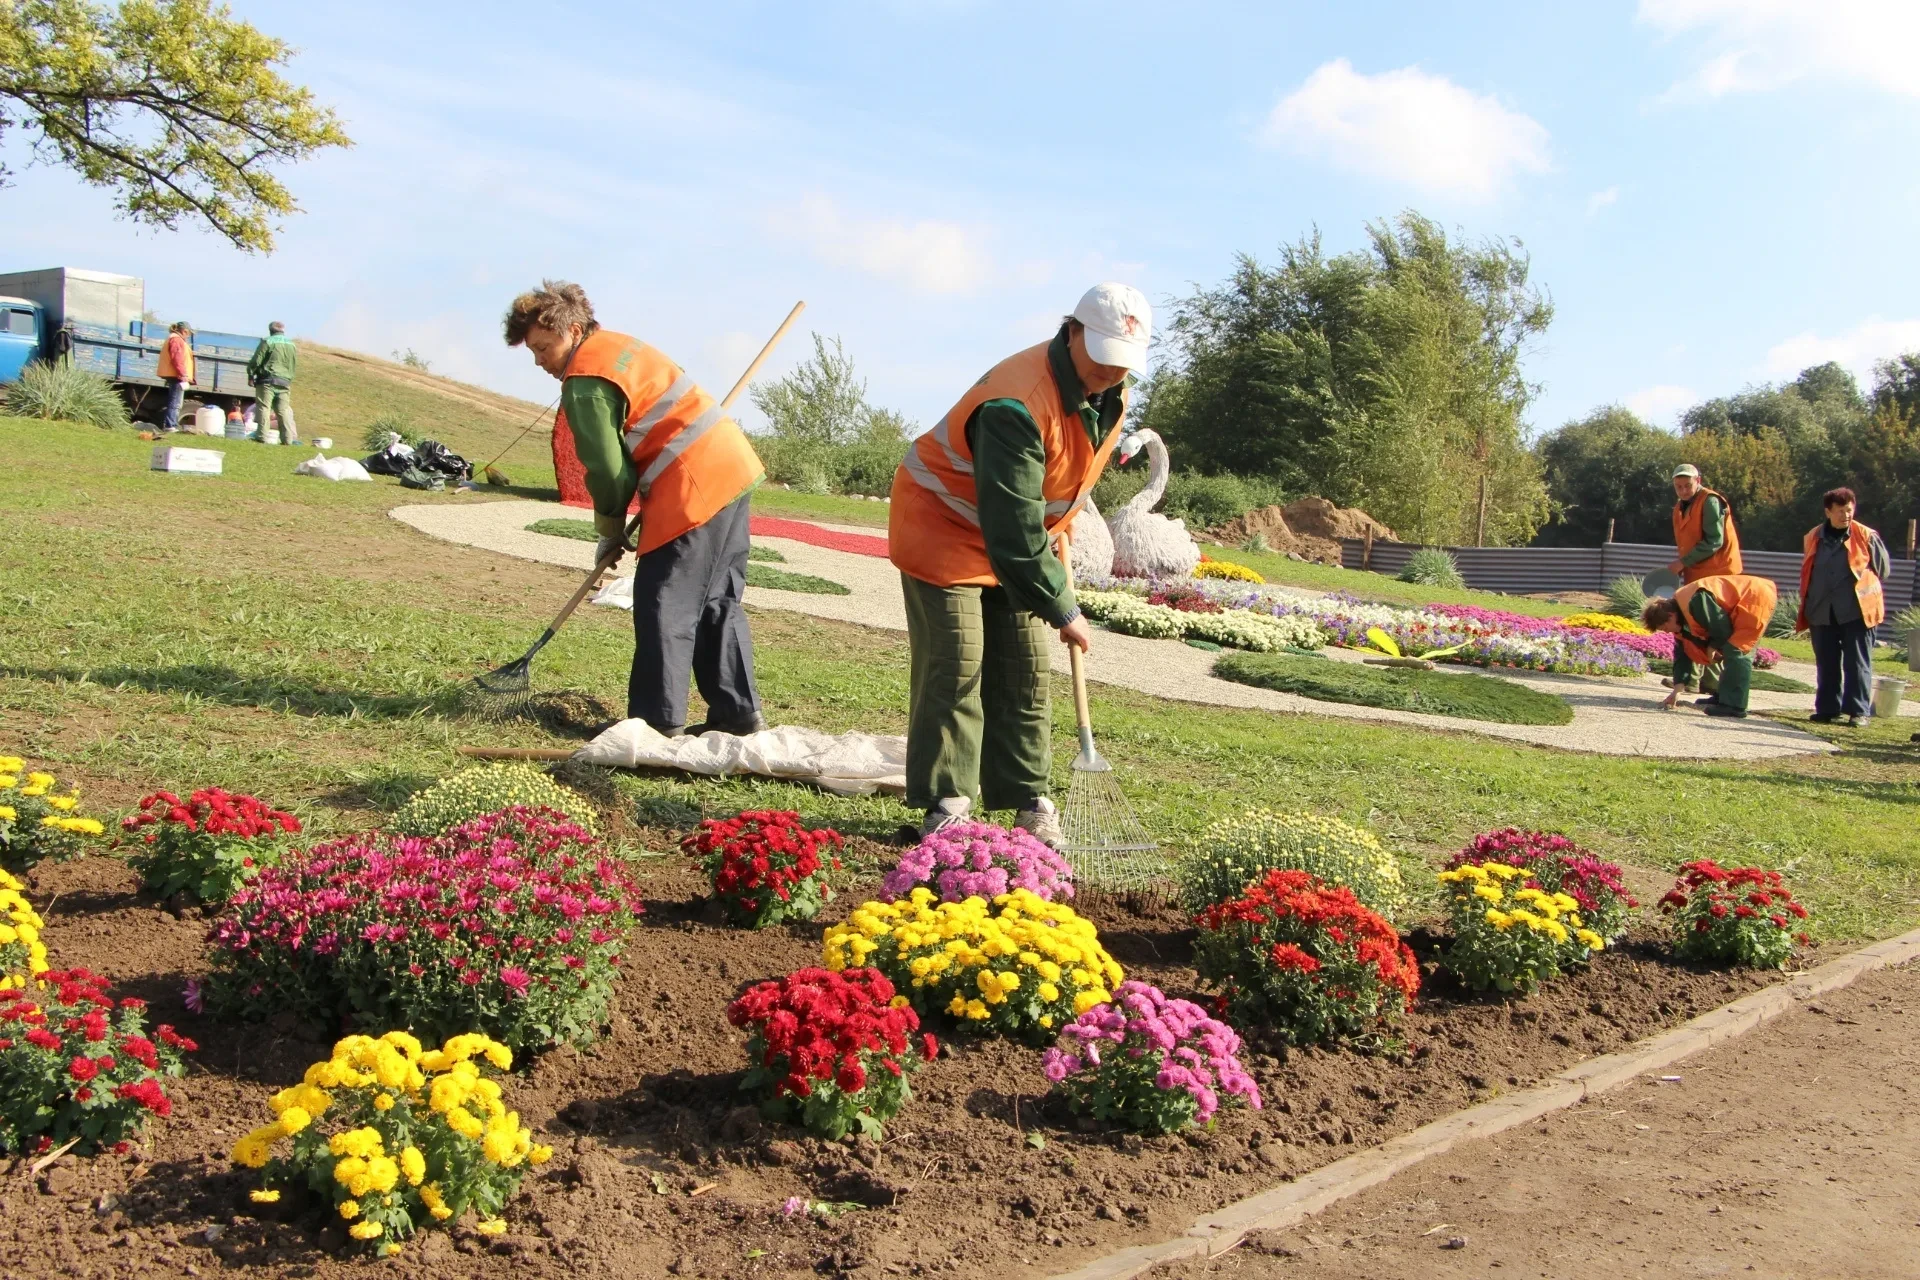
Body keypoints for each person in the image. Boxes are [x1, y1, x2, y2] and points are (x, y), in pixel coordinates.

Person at [889, 282, 1148, 847]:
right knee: (958, 663)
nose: (1111, 371)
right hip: (945, 526)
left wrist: (1065, 517)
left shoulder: (1111, 394)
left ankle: (1028, 799)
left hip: (1021, 535)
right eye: (1102, 354)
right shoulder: (1015, 403)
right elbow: (1011, 530)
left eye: (1123, 361)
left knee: (1026, 671)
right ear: (1072, 331)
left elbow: (1057, 475)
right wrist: (1063, 608)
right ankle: (947, 803)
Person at [503, 281, 766, 737]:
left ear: (574, 329)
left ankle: (655, 725)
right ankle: (737, 714)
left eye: (544, 348)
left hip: (692, 484)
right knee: (716, 600)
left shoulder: (584, 379)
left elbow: (607, 469)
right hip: (732, 469)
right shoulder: (621, 346)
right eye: (533, 353)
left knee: (664, 602)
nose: (540, 361)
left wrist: (608, 528)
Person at [1796, 486, 1889, 727]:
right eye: (1840, 511)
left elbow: (1884, 570)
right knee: (1826, 662)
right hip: (1821, 611)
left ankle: (1858, 711)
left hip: (1857, 611)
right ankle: (1828, 709)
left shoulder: (1867, 535)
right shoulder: (1813, 536)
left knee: (1857, 663)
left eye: (1849, 510)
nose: (1846, 515)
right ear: (1828, 512)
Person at [1642, 573, 1778, 718]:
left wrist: (1713, 645)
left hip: (1754, 596)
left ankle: (1734, 706)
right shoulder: (1681, 619)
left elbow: (1721, 627)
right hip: (1746, 598)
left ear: (1671, 615)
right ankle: (1724, 697)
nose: (1667, 632)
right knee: (1728, 648)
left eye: (1664, 627)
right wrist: (1677, 691)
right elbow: (1683, 656)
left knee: (1737, 649)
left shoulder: (1695, 600)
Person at [1665, 463, 1742, 697]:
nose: (1684, 490)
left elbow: (1714, 541)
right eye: (1679, 486)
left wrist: (1682, 563)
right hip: (1697, 574)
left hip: (1719, 574)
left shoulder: (1710, 501)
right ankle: (1694, 680)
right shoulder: (1680, 507)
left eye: (1688, 485)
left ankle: (1711, 682)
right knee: (1696, 625)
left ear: (1698, 480)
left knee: (1715, 625)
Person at [247, 321, 300, 445]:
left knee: (264, 408)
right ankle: (287, 439)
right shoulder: (292, 345)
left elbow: (256, 360)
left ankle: (261, 437)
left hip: (267, 380)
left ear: (270, 331)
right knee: (283, 411)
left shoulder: (268, 341)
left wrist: (250, 373)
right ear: (283, 330)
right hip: (285, 382)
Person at [156, 321, 195, 433]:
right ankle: (170, 425)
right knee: (175, 402)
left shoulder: (174, 338)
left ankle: (171, 424)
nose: (188, 336)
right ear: (184, 331)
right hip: (177, 375)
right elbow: (177, 359)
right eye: (189, 334)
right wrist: (183, 374)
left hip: (175, 374)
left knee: (175, 401)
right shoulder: (177, 340)